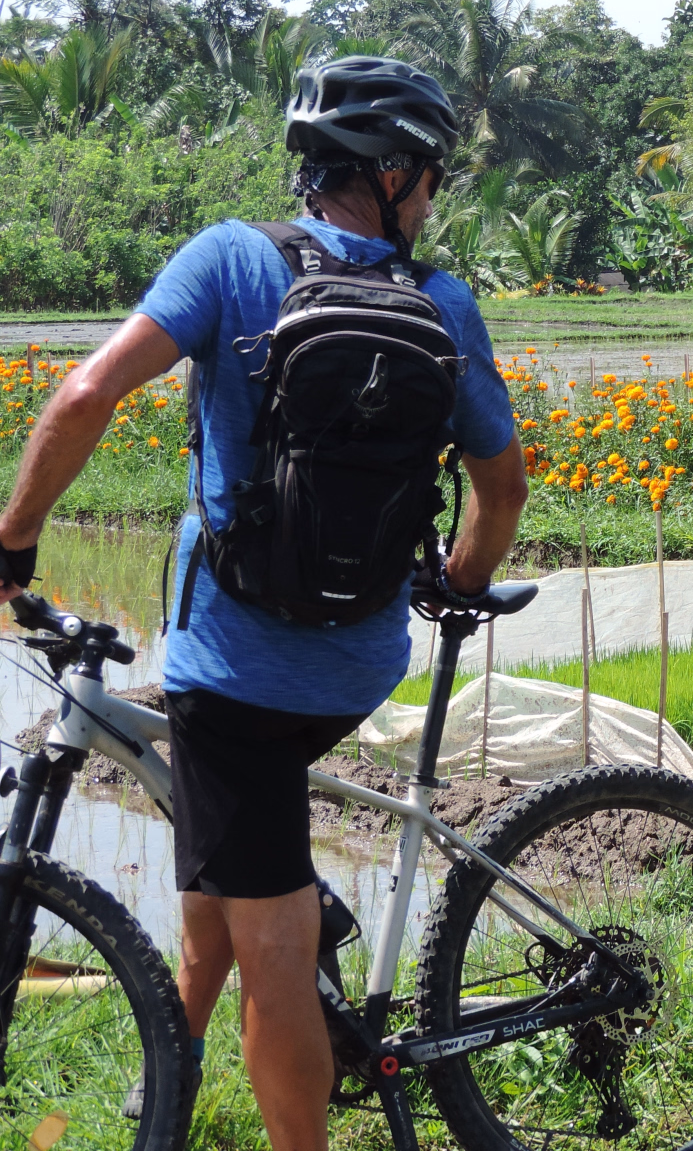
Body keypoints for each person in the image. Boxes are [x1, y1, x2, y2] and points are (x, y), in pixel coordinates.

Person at [0, 56, 527, 1150]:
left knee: (271, 944)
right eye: (431, 177)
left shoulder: (231, 258)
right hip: (358, 660)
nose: (432, 198)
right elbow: (502, 488)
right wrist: (458, 583)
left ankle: (286, 1034)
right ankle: (166, 1097)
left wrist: (12, 540)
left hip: (232, 674)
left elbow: (86, 393)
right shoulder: (442, 303)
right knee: (218, 892)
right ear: (391, 174)